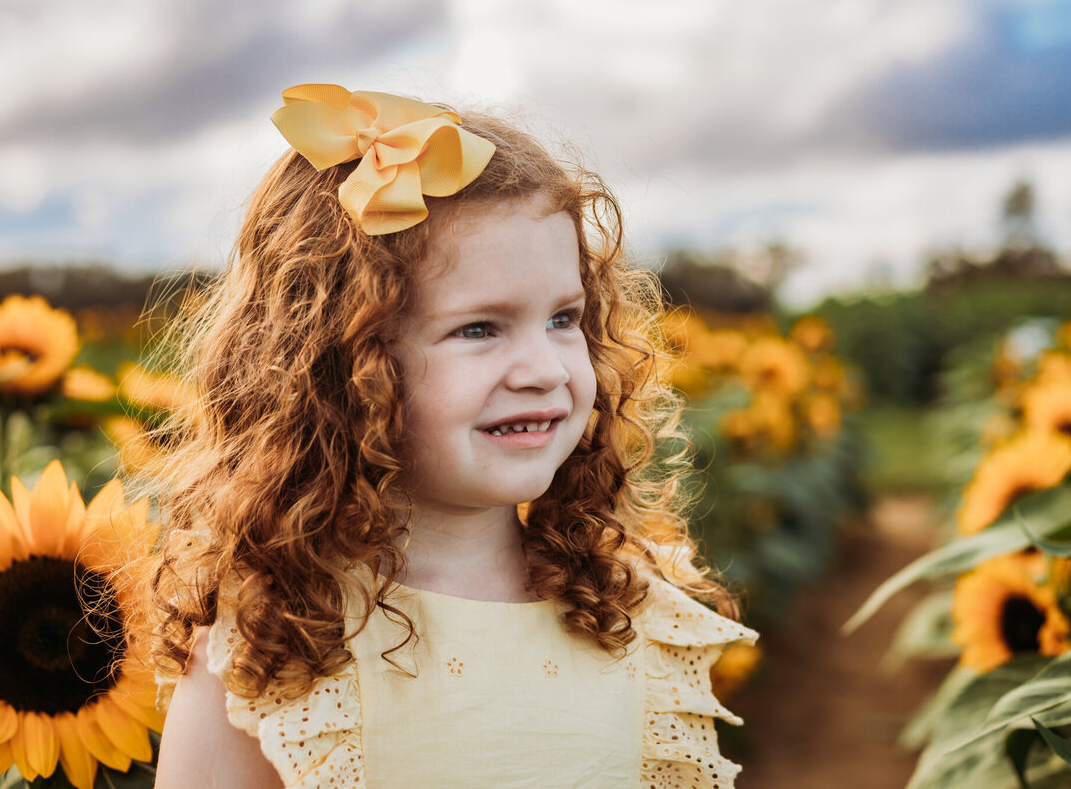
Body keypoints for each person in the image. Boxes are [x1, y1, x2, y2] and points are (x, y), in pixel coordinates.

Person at [148, 84, 757, 788]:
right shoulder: (272, 648)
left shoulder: (632, 618)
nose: (544, 368)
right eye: (479, 328)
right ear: (343, 363)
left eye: (565, 318)